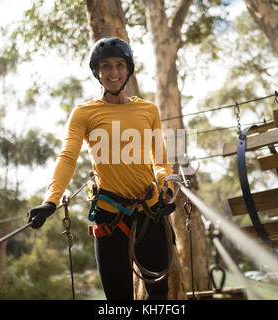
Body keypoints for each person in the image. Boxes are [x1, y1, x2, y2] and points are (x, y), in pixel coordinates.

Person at [28, 37, 176, 300]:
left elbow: (160, 161)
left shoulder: (148, 110)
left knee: (159, 294)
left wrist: (167, 187)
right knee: (118, 300)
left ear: (128, 69)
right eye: (105, 66)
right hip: (110, 216)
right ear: (96, 71)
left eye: (120, 65)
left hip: (150, 211)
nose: (113, 73)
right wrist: (51, 201)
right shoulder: (84, 113)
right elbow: (68, 157)